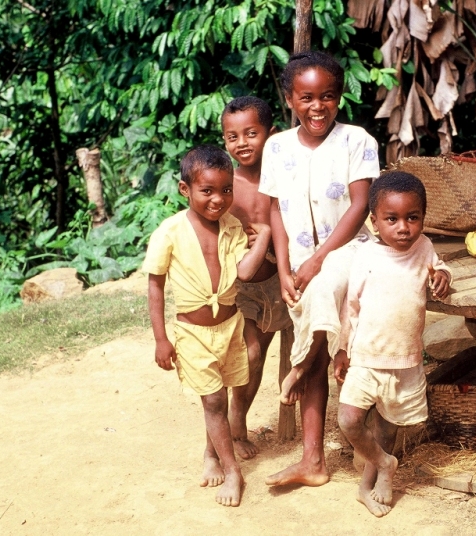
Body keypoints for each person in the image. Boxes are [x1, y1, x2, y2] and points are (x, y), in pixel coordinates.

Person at [259, 50, 380, 487]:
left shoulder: (357, 140)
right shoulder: (276, 146)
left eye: (327, 96)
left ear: (339, 96)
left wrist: (316, 259)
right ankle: (313, 461)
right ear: (290, 98)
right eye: (306, 97)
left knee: (325, 288)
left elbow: (361, 204)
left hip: (348, 251)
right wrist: (287, 266)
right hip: (298, 263)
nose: (317, 106)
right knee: (315, 309)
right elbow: (274, 210)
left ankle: (300, 365)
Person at [143, 145, 272, 507]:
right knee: (213, 400)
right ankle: (232, 471)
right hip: (192, 333)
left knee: (222, 393)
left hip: (229, 326)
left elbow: (245, 272)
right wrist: (161, 339)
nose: (218, 199)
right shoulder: (169, 232)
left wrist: (262, 237)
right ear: (186, 190)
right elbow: (155, 285)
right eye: (208, 191)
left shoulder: (232, 227)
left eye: (226, 189)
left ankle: (212, 454)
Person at [333, 171, 451, 517]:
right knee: (349, 420)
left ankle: (368, 486)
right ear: (374, 221)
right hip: (365, 359)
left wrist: (443, 277)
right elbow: (350, 307)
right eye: (392, 219)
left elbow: (440, 269)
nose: (403, 228)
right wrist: (342, 349)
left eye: (412, 218)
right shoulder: (366, 256)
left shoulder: (425, 247)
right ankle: (385, 464)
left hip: (405, 360)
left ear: (423, 219)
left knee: (387, 427)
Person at [221, 96, 292, 460]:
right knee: (250, 356)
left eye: (251, 133)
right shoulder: (225, 184)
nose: (242, 143)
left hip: (284, 280)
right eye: (233, 136)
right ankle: (236, 424)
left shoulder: (286, 175)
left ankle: (290, 427)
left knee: (285, 360)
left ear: (272, 134)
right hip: (246, 286)